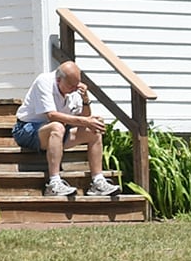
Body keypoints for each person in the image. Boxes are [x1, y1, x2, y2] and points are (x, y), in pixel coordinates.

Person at [15, 60, 119, 198]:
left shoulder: (75, 89)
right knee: (57, 127)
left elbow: (85, 118)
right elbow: (51, 115)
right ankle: (54, 183)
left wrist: (85, 100)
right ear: (58, 80)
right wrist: (84, 121)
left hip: (60, 132)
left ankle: (98, 182)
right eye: (71, 85)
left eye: (77, 84)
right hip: (28, 130)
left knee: (94, 130)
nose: (75, 88)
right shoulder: (44, 81)